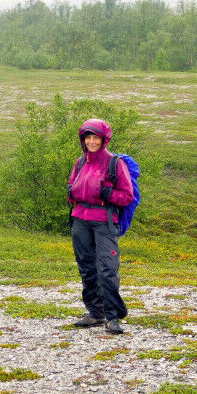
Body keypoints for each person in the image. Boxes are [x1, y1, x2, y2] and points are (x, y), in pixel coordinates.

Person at [65, 118, 135, 334]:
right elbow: (72, 185)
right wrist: (71, 192)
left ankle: (113, 316)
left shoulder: (115, 163)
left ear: (104, 139)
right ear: (83, 140)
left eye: (96, 137)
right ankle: (95, 313)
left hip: (104, 221)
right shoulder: (80, 162)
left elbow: (127, 196)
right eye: (88, 137)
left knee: (107, 268)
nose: (92, 141)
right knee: (86, 267)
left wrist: (109, 194)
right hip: (80, 220)